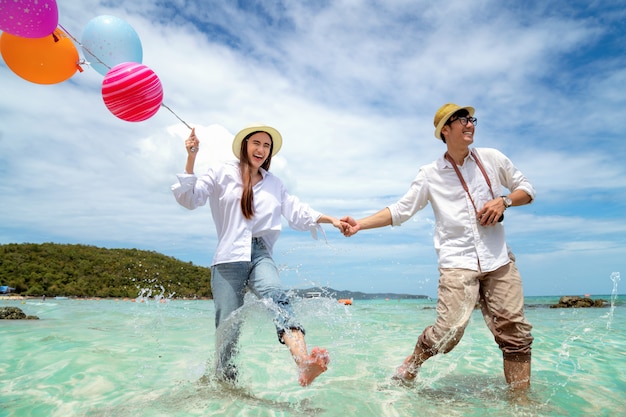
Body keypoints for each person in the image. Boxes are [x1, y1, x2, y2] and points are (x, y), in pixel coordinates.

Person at [341, 103, 535, 390]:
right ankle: (411, 365)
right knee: (448, 333)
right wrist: (359, 224)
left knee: (516, 335)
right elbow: (401, 210)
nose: (470, 125)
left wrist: (504, 200)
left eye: (472, 120)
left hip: (498, 260)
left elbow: (527, 190)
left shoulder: (492, 158)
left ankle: (521, 406)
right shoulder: (430, 173)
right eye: (462, 120)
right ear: (445, 129)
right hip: (457, 262)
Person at [171, 124, 338, 387]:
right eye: (256, 143)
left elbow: (297, 211)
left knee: (278, 298)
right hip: (228, 256)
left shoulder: (275, 184)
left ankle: (304, 362)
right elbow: (189, 199)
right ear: (245, 145)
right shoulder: (222, 172)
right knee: (227, 328)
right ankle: (225, 384)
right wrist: (191, 156)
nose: (261, 149)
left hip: (260, 253)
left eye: (266, 146)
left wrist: (331, 219)